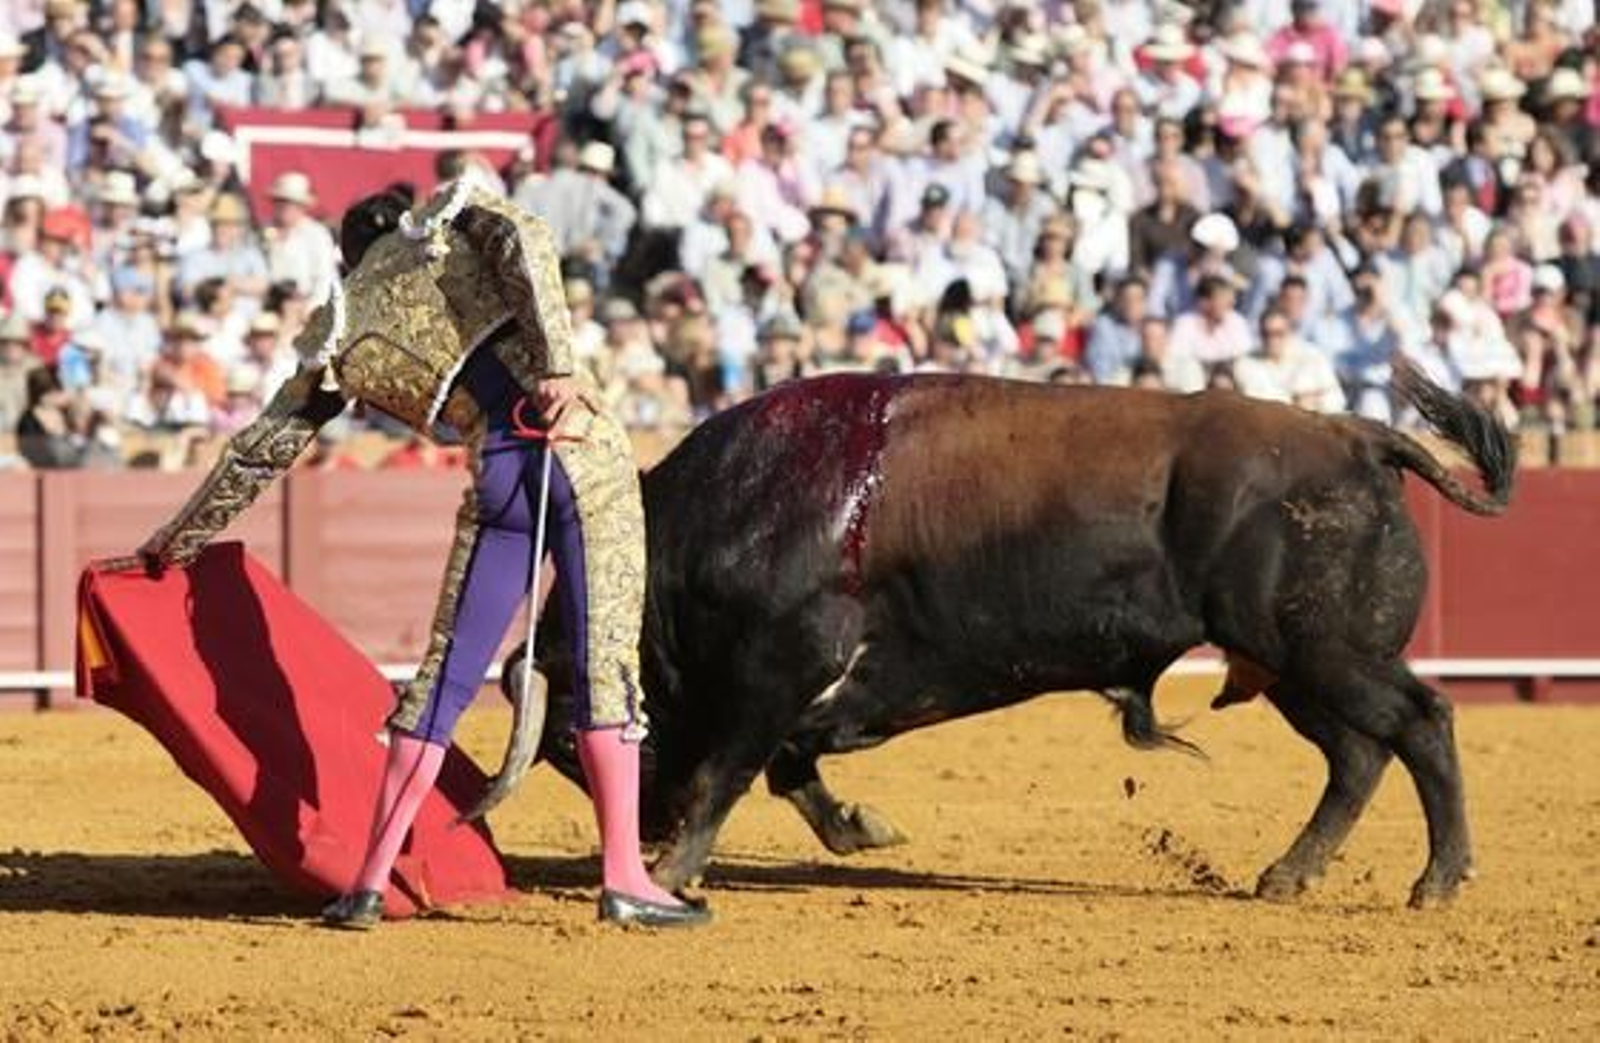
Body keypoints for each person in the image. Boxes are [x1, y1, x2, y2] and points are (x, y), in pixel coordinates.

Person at [133, 177, 710, 930]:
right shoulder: (449, 232)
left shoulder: (343, 324)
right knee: (607, 668)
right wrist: (559, 365)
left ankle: (369, 882)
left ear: (349, 259)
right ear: (402, 225)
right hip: (578, 452)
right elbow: (527, 235)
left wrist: (174, 541)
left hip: (497, 472)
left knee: (441, 681)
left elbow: (262, 448)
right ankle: (625, 876)